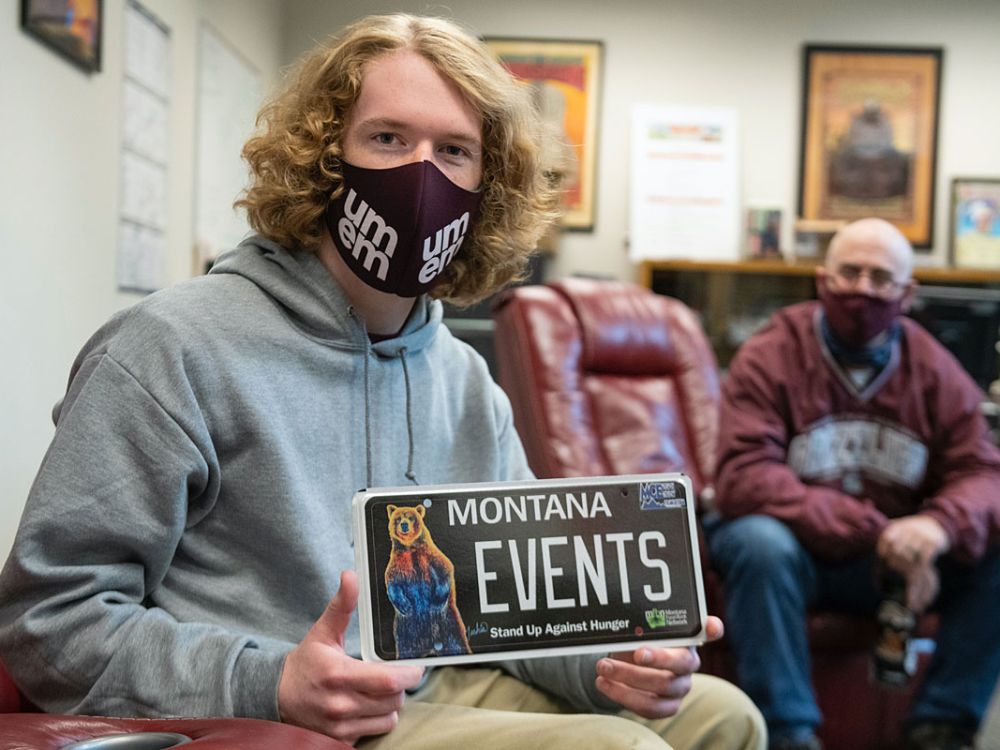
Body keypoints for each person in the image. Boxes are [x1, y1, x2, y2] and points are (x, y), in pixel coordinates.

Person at [0, 14, 764, 750]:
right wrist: (271, 682)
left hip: (432, 683)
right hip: (297, 711)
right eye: (388, 138)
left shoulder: (465, 379)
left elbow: (514, 615)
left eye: (454, 151)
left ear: (485, 184)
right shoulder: (171, 346)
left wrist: (608, 666)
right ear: (327, 156)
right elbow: (49, 621)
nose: (421, 174)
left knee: (724, 716)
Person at [704, 217, 1000, 750]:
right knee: (757, 540)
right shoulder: (769, 356)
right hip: (796, 555)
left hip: (887, 564)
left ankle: (940, 728)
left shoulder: (935, 368)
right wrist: (880, 531)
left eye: (881, 277)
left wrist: (936, 529)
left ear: (906, 294)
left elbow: (981, 472)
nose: (863, 289)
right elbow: (743, 477)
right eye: (849, 272)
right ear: (822, 281)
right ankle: (789, 733)